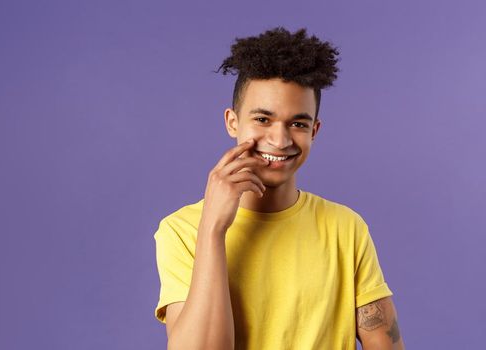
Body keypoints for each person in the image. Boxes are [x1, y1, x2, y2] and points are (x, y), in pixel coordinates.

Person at [152, 27, 405, 349]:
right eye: (262, 120)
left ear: (314, 131)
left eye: (297, 124)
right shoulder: (182, 230)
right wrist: (213, 229)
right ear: (232, 122)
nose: (280, 140)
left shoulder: (346, 227)